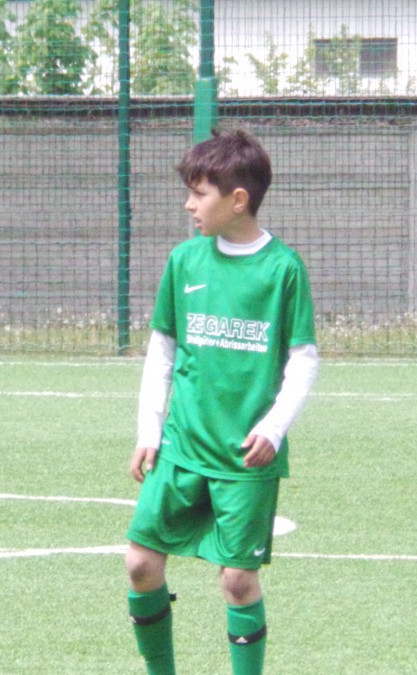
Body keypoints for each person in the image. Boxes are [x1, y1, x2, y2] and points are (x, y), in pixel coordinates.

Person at [125, 129, 319, 674]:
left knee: (237, 579)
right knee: (140, 563)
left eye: (199, 193)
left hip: (243, 458)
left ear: (237, 200)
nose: (189, 205)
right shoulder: (185, 261)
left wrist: (274, 427)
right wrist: (149, 430)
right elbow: (162, 351)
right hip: (182, 447)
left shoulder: (282, 269)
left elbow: (304, 360)